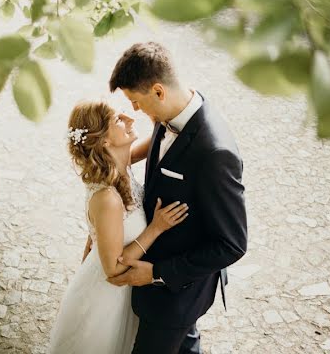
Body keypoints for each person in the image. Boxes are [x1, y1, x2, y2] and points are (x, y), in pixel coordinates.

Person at [106, 42, 247, 354]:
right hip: (163, 288)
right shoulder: (170, 112)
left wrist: (156, 273)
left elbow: (232, 244)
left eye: (136, 101)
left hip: (176, 294)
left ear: (158, 91)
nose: (135, 111)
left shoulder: (216, 153)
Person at [47, 100, 188, 354]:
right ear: (104, 142)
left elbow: (159, 134)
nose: (127, 119)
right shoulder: (108, 197)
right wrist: (155, 228)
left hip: (122, 293)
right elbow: (113, 269)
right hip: (105, 297)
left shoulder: (121, 166)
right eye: (117, 120)